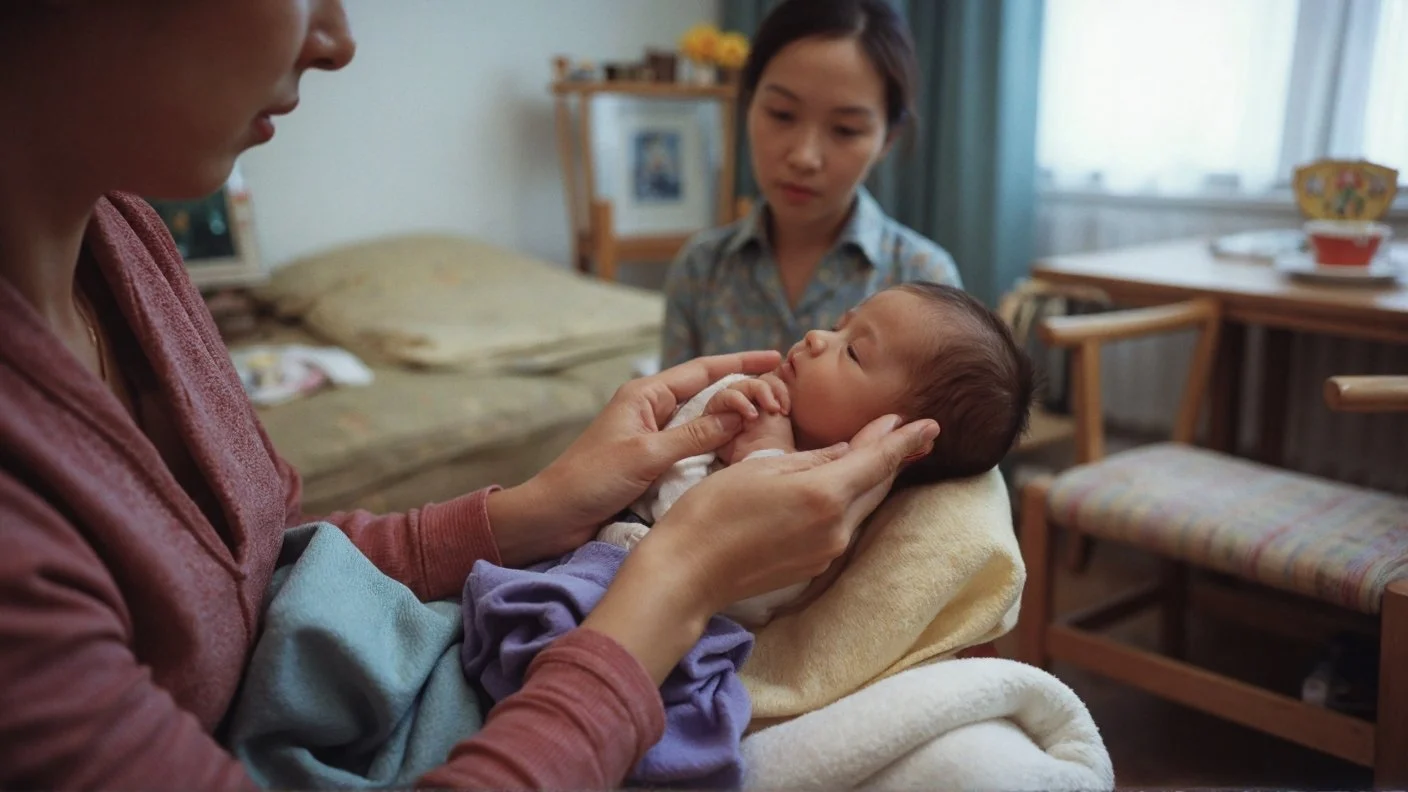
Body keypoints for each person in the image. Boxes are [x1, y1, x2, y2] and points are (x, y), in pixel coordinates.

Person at [0, 2, 940, 790]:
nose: (339, 39)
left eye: (845, 128)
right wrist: (681, 575)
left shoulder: (129, 243)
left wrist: (531, 509)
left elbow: (259, 565)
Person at [606, 282, 1034, 625]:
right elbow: (653, 469)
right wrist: (710, 412)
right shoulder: (751, 398)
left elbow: (737, 591)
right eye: (837, 326)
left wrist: (763, 457)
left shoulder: (825, 512)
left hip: (640, 603)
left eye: (853, 352)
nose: (816, 337)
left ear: (897, 437)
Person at [661, 0, 963, 370]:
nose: (804, 157)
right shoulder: (701, 269)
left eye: (845, 130)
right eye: (782, 114)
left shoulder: (923, 278)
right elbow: (670, 403)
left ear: (888, 138)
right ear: (749, 103)